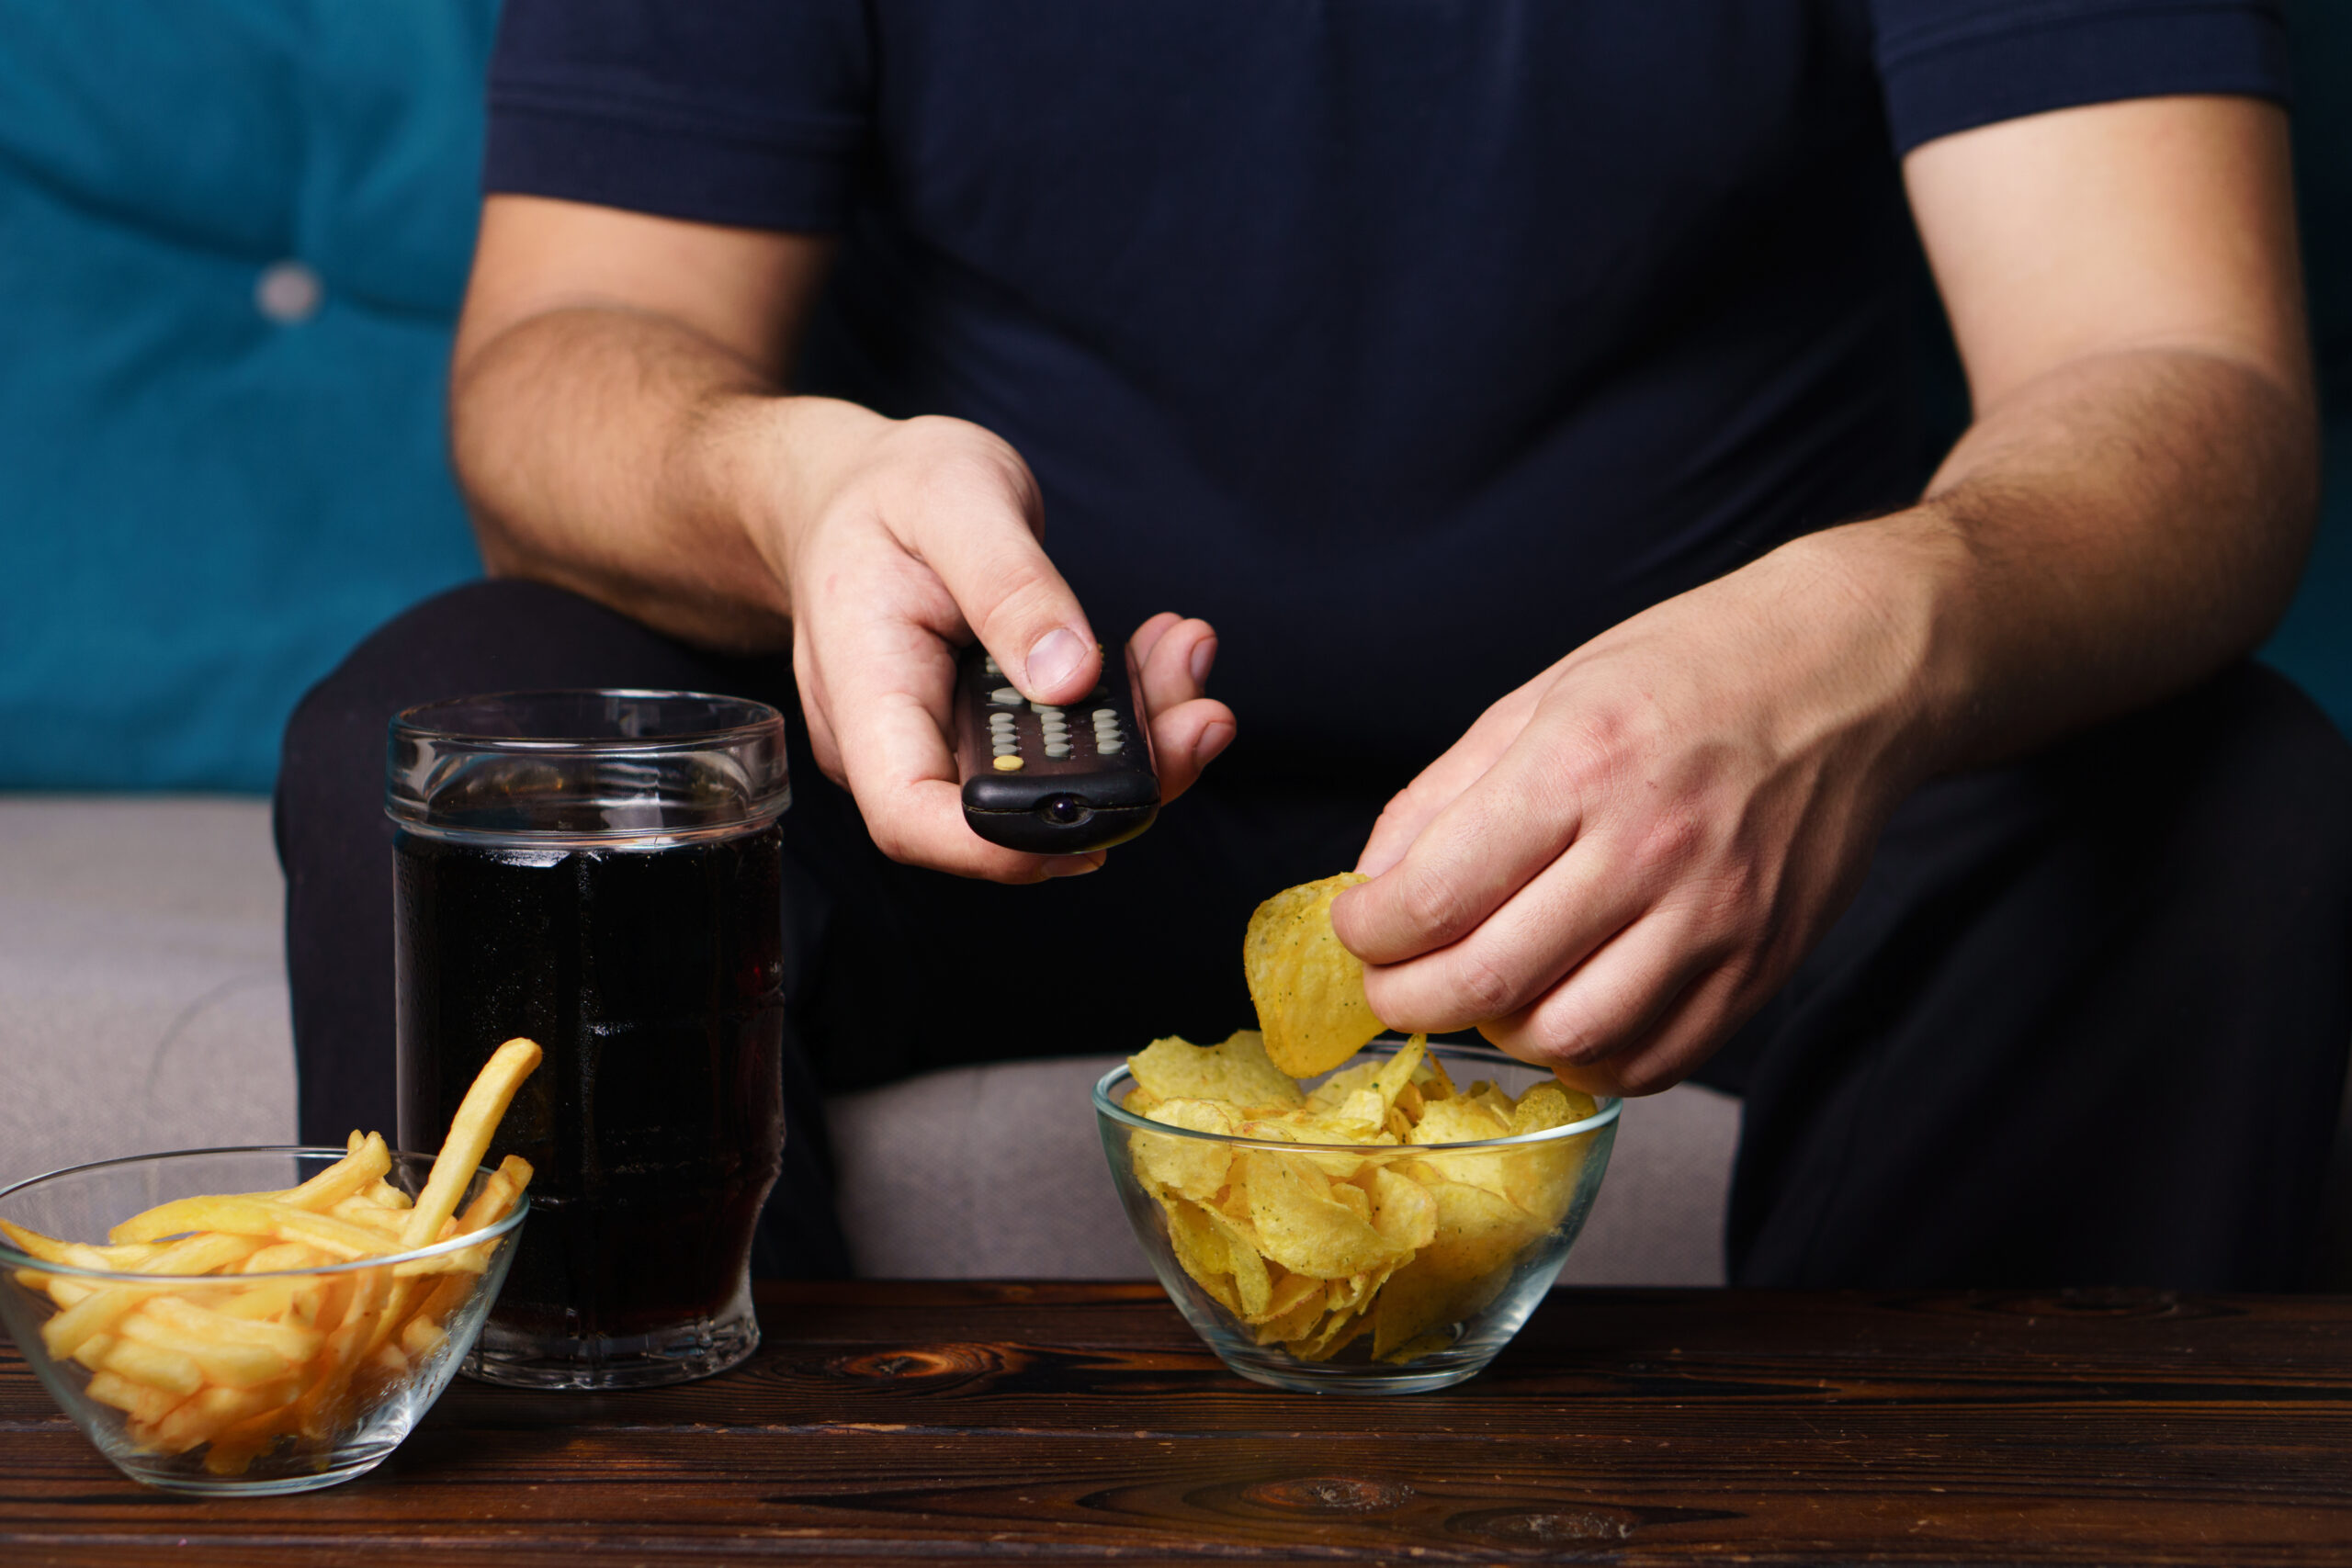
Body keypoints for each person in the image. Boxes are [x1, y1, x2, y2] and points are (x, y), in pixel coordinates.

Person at [278, 0, 2352, 1288]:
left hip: (1713, 806)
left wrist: (1860, 636)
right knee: (446, 736)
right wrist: (795, 488)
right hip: (1010, 800)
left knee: (2210, 794)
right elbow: (556, 365)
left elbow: (2174, 366)